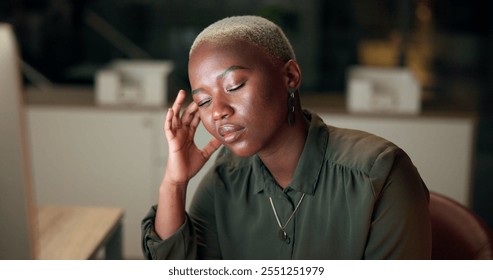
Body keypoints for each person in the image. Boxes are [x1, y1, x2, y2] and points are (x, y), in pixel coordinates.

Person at [141, 15, 431, 260]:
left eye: (234, 85)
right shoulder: (225, 178)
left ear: (290, 76)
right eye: (203, 102)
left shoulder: (380, 174)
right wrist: (174, 184)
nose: (217, 112)